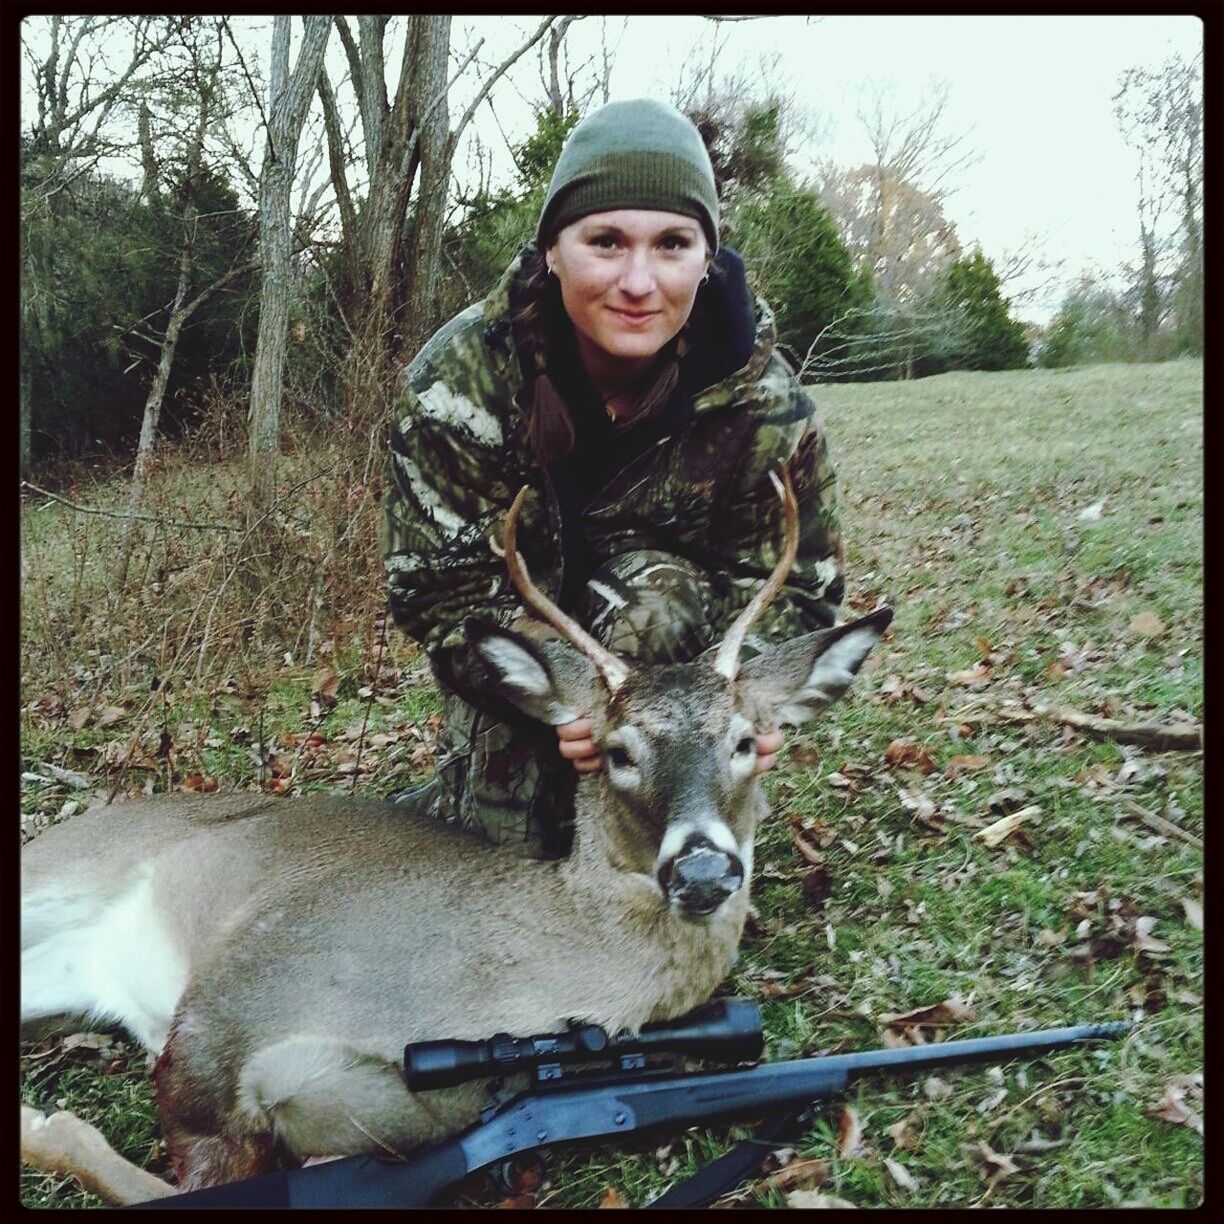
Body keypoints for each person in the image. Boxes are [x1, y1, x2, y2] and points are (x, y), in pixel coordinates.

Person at [381, 98, 844, 859]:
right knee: (500, 870)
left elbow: (802, 591)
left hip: (688, 685)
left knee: (651, 604)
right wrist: (574, 699)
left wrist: (748, 706)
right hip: (533, 681)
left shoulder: (765, 404)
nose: (638, 280)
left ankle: (678, 828)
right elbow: (438, 595)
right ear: (553, 251)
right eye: (605, 241)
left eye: (672, 244)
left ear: (707, 257)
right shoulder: (459, 387)